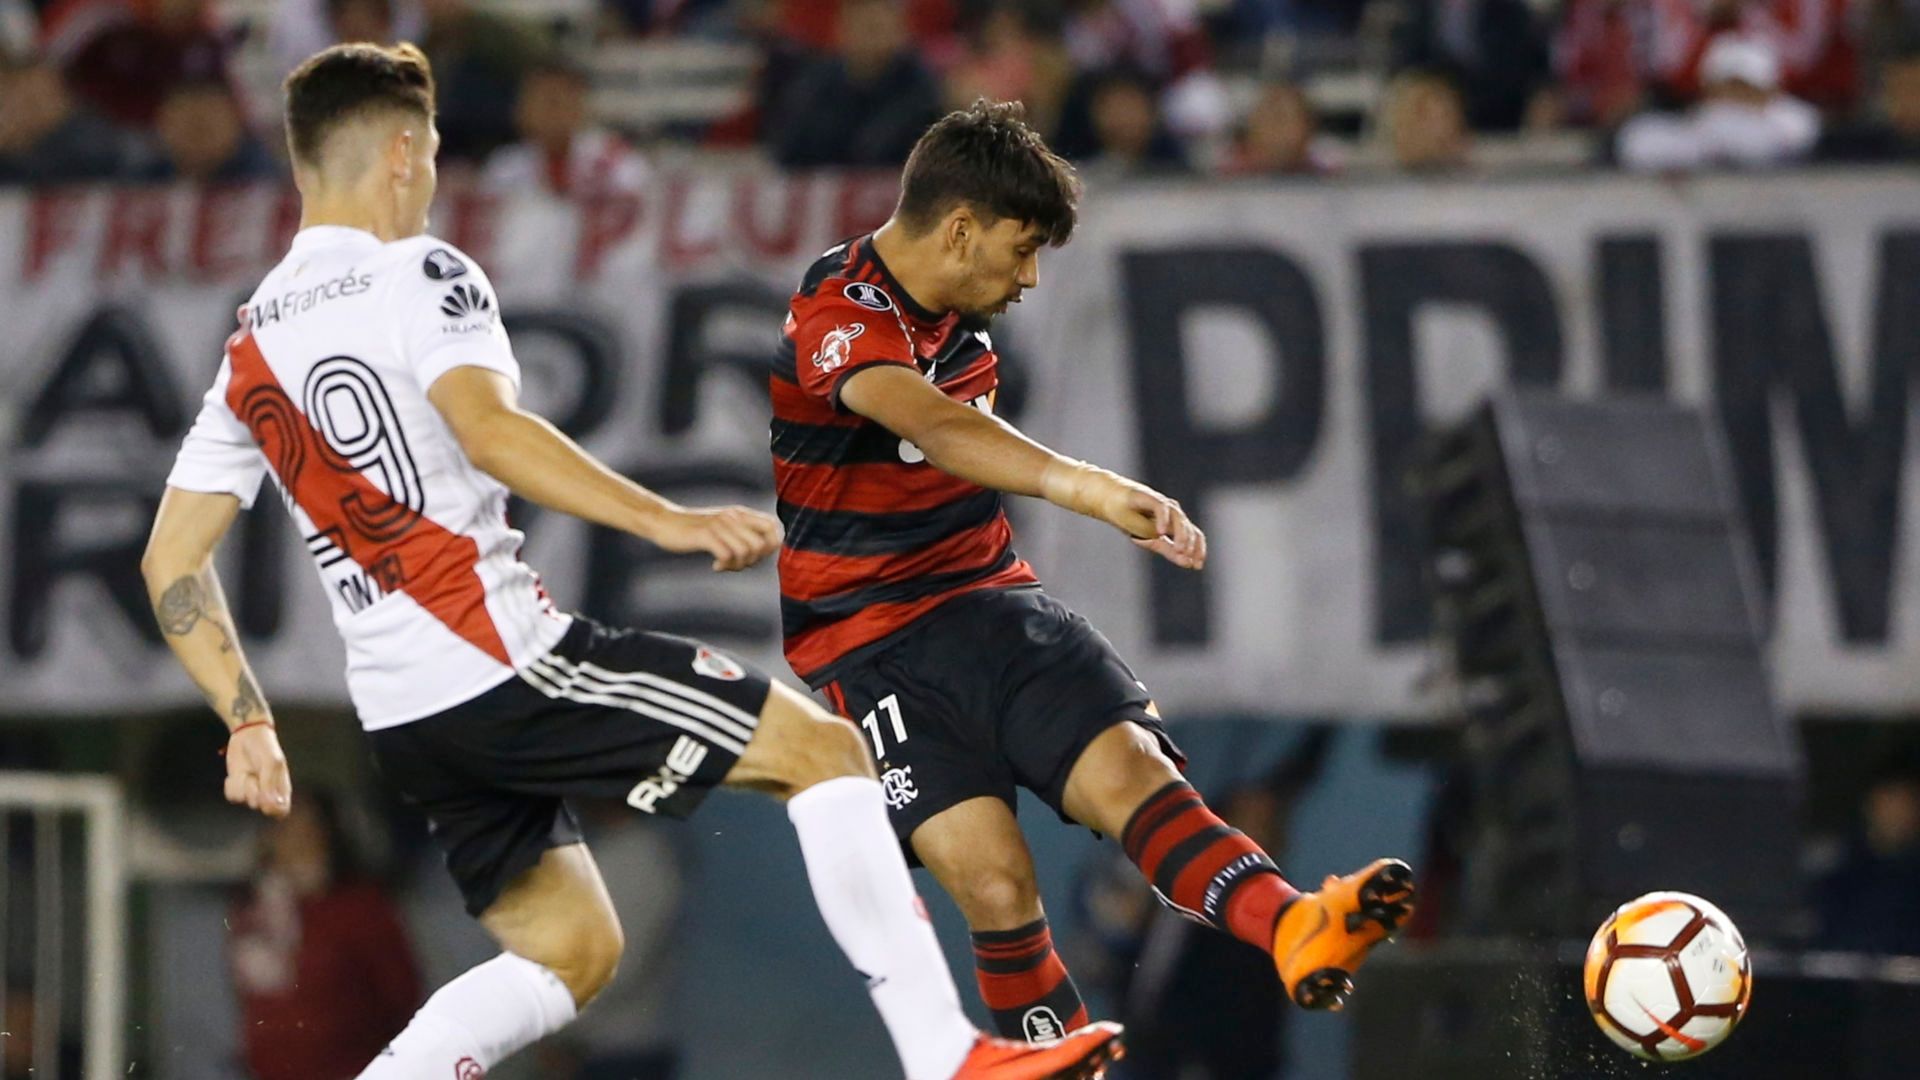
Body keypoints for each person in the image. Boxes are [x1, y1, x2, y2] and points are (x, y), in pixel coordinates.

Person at [139, 43, 1121, 1079]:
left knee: (572, 949)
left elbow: (171, 562)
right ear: (399, 151)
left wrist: (246, 715)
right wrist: (666, 521)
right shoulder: (418, 271)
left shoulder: (251, 341)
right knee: (825, 754)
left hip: (404, 715)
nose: (428, 178)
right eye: (426, 154)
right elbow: (487, 429)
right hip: (504, 662)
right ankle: (947, 1058)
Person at [767, 99, 1415, 1043]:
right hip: (869, 648)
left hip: (989, 602)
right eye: (1021, 248)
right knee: (995, 881)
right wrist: (1091, 488)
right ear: (959, 228)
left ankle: (1296, 925)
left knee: (1132, 774)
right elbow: (936, 427)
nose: (1029, 277)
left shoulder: (953, 309)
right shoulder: (839, 310)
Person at [229, 790, 421, 1080]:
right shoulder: (254, 914)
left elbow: (402, 996)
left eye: (306, 830)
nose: (295, 842)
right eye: (285, 831)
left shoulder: (360, 909)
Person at [1616, 35, 1820, 171]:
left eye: (1745, 89)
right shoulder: (1697, 126)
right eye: (1726, 87)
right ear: (1708, 91)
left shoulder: (1793, 120)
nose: (1734, 98)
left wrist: (1717, 132)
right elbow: (1635, 143)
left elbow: (1755, 143)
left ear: (1770, 92)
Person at [482, 57, 648, 199]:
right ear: (523, 110)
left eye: (556, 101)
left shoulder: (616, 160)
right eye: (539, 101)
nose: (550, 113)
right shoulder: (505, 166)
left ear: (580, 106)